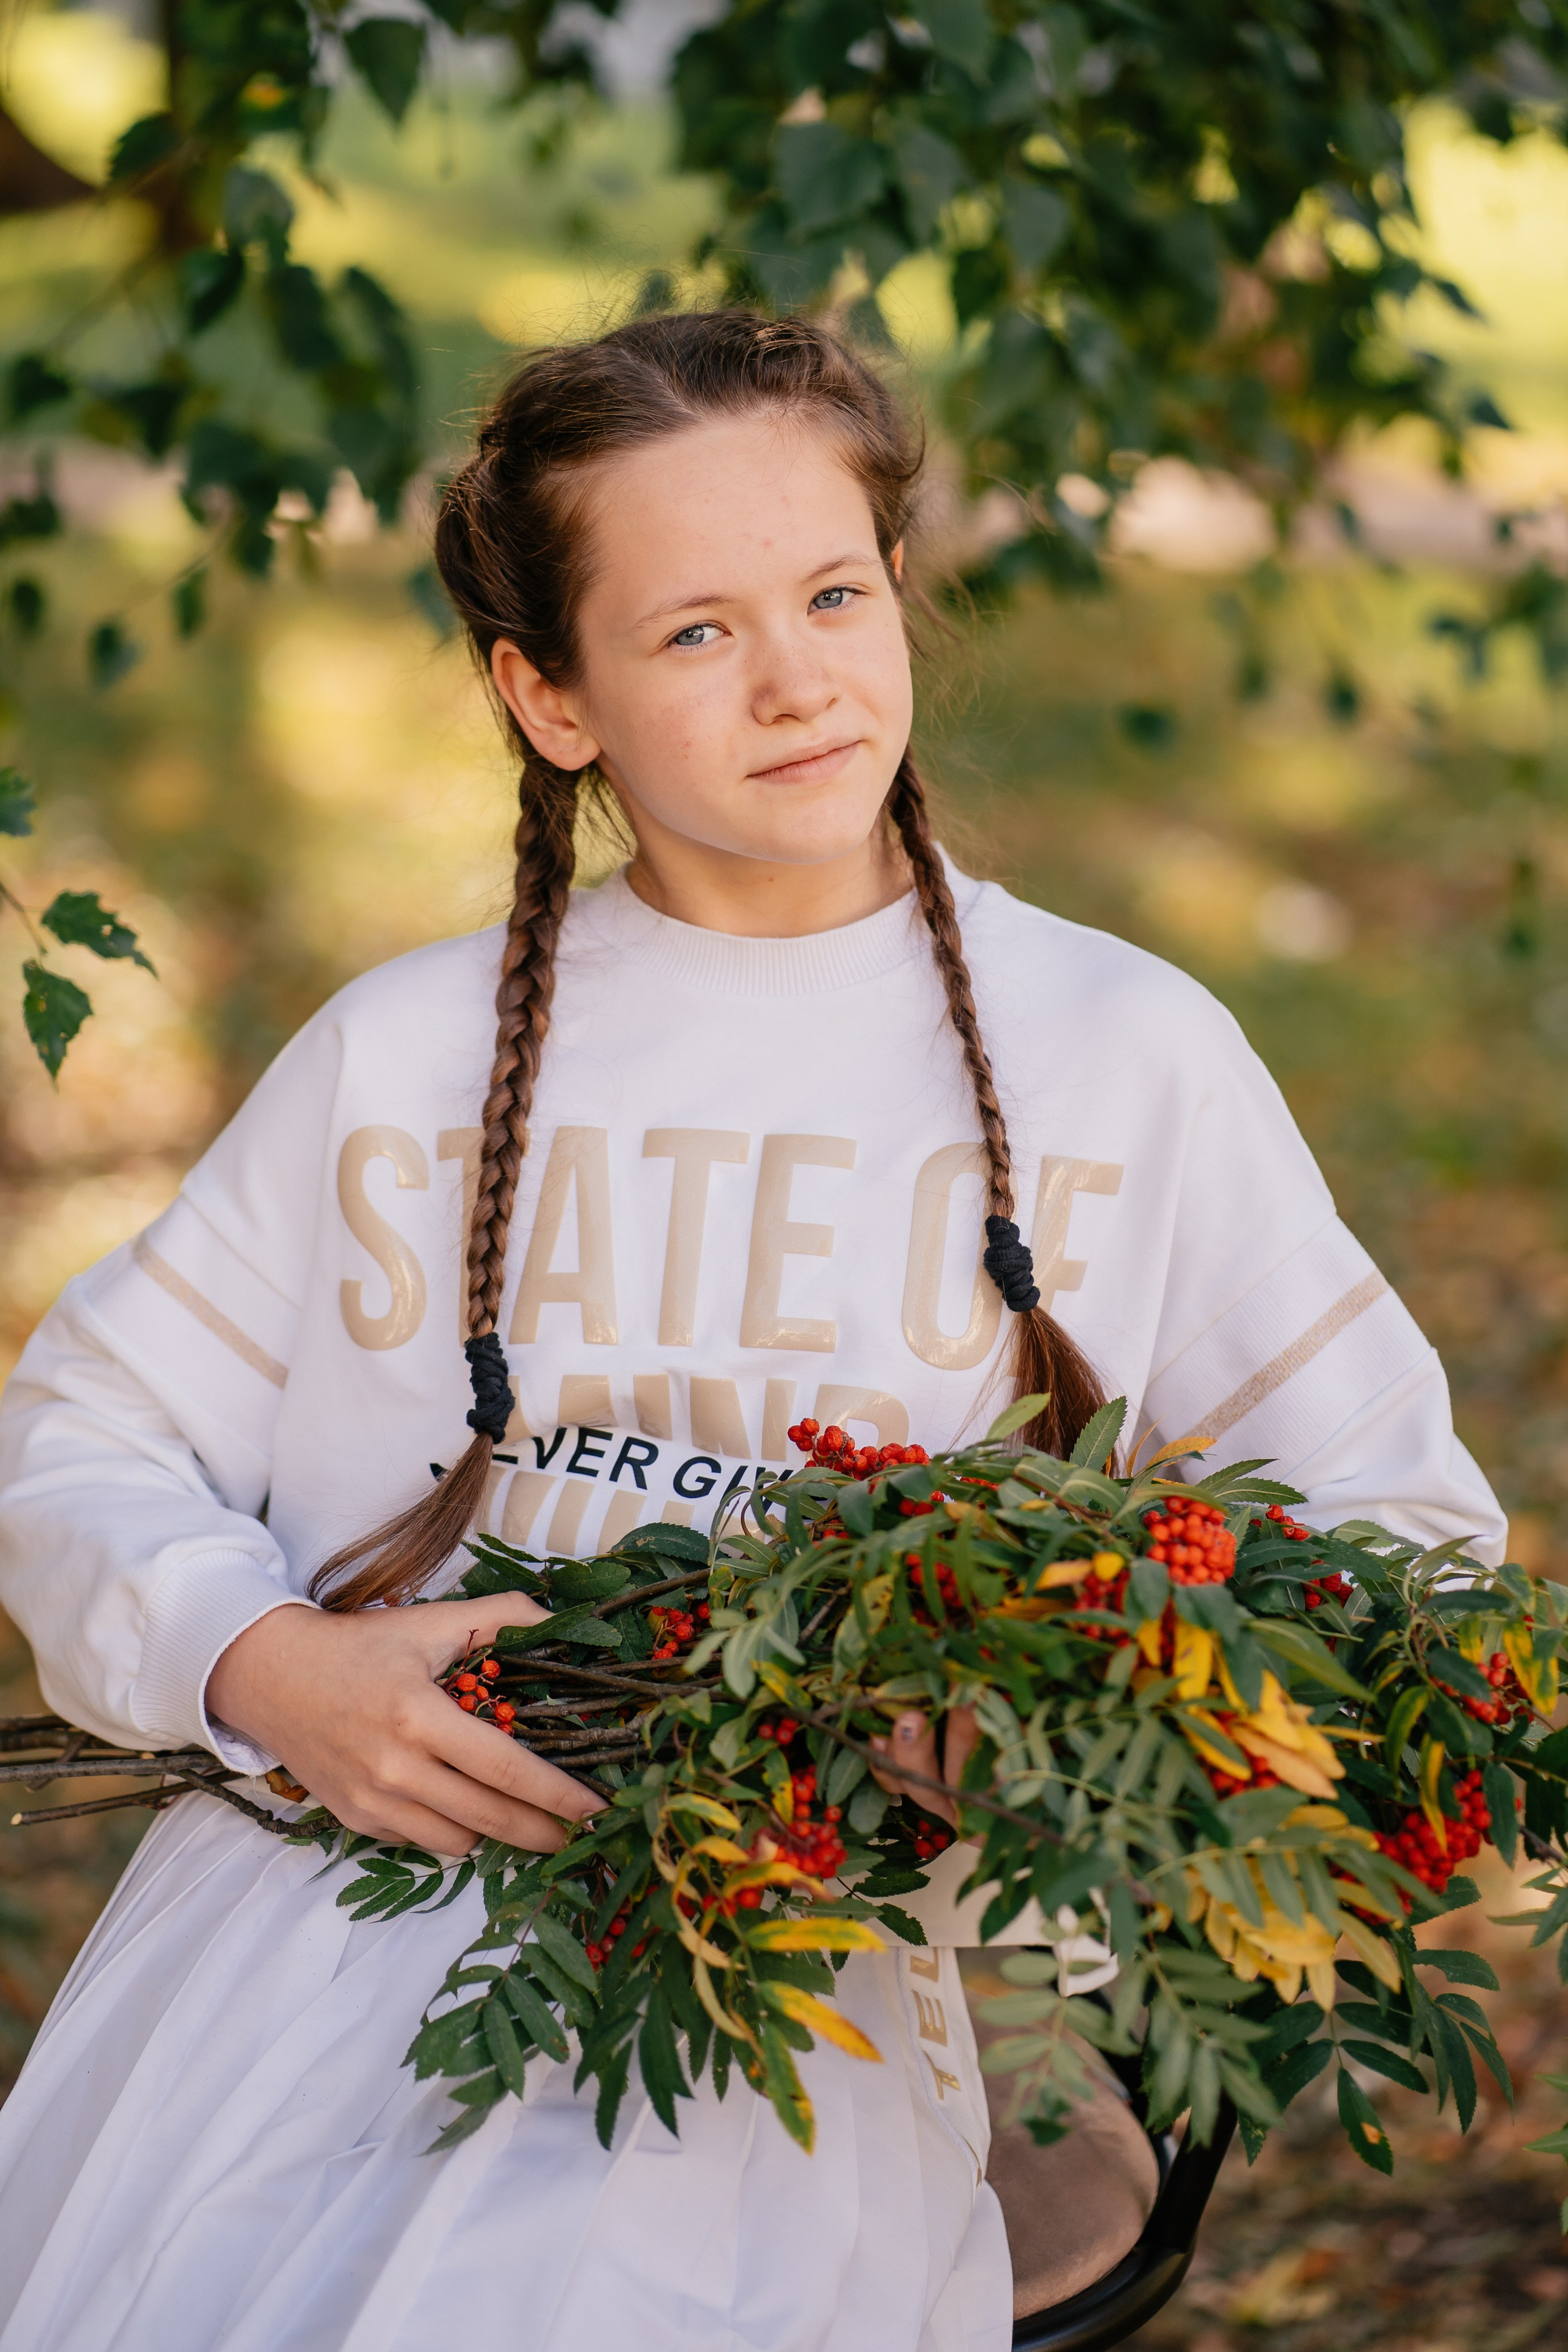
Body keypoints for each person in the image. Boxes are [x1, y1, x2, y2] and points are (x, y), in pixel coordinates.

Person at [0, 311, 1502, 2352]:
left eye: (832, 593)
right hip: (325, 1921)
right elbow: (82, 1429)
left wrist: (1053, 1724)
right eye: (694, 632)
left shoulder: (1124, 1059)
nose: (798, 676)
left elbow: (1398, 1546)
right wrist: (260, 1662)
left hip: (810, 1971)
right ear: (552, 697)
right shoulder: (407, 1057)